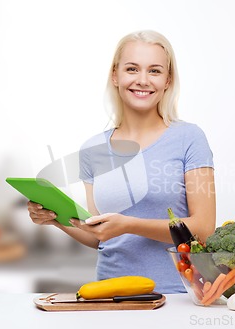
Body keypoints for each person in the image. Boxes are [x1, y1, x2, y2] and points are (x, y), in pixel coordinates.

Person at [27, 30, 216, 293]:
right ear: (115, 76)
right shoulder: (93, 148)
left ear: (167, 80)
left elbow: (204, 230)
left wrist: (129, 224)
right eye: (132, 69)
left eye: (154, 71)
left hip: (177, 294)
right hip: (109, 292)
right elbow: (100, 235)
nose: (142, 80)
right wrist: (55, 219)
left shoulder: (189, 138)